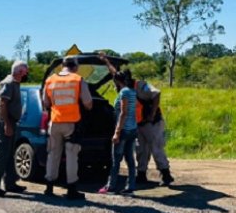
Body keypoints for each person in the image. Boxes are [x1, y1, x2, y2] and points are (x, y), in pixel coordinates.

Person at [99, 52, 174, 186]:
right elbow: (114, 73)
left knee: (156, 148)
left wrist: (151, 114)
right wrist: (106, 61)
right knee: (141, 150)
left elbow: (156, 93)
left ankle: (166, 174)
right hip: (138, 124)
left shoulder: (139, 85)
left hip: (152, 123)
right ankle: (141, 175)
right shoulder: (123, 86)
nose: (116, 84)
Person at [42, 56, 93, 199]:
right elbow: (88, 103)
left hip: (55, 122)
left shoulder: (50, 80)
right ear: (75, 67)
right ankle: (71, 189)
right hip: (71, 123)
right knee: (71, 156)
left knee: (53, 154)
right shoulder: (77, 80)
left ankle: (49, 187)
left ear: (62, 66)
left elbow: (46, 103)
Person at [0, 60, 29, 197]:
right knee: (2, 155)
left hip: (11, 121)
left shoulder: (15, 83)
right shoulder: (9, 83)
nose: (26, 74)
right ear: (19, 72)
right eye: (25, 72)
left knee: (10, 155)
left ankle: (10, 183)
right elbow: (3, 104)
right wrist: (6, 124)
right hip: (5, 122)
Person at [98, 70, 138, 195]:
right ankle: (130, 187)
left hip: (124, 130)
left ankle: (111, 187)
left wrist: (117, 132)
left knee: (116, 160)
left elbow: (123, 112)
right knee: (130, 160)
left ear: (116, 81)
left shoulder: (124, 92)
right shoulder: (132, 91)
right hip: (132, 129)